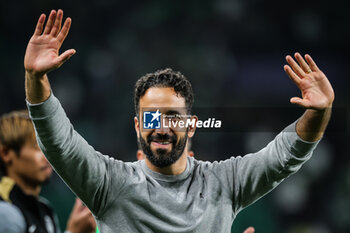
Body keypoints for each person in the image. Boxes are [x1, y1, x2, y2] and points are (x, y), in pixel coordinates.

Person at [23, 9, 334, 233]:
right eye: (152, 116)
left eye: (173, 116)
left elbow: (284, 157)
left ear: (192, 125)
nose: (161, 127)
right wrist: (35, 79)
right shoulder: (110, 185)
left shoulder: (224, 183)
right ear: (137, 126)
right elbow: (59, 143)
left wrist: (318, 113)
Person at [0, 110, 96, 233]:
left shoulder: (45, 210)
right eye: (37, 148)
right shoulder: (5, 213)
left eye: (47, 148)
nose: (47, 157)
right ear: (6, 154)